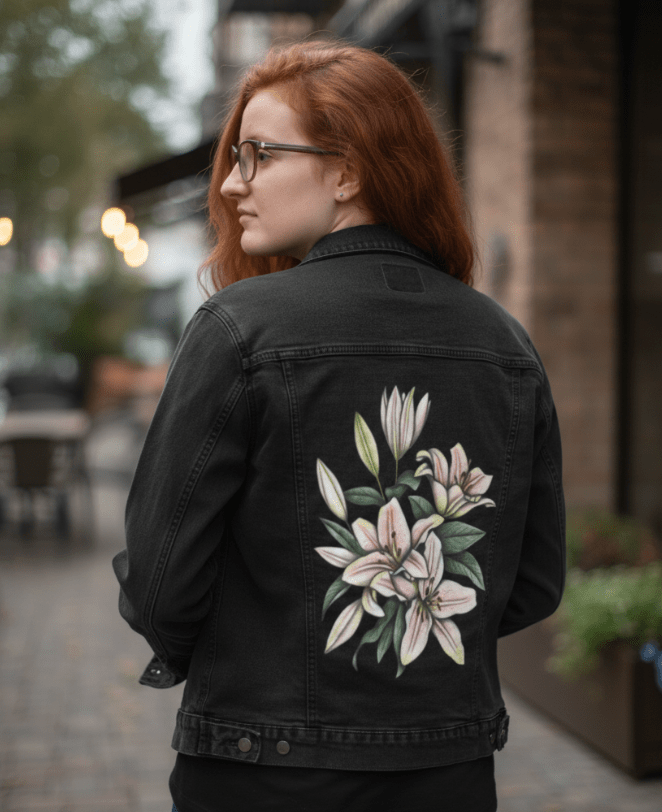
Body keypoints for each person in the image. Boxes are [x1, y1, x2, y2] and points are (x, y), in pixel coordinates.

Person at [112, 39, 566, 812]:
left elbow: (161, 584)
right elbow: (530, 582)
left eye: (257, 154)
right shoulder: (505, 343)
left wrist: (255, 660)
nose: (231, 182)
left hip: (262, 769)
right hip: (448, 774)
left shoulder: (237, 329)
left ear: (349, 171)